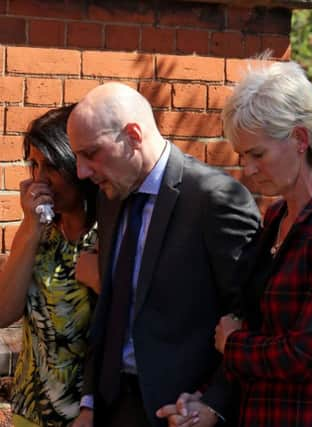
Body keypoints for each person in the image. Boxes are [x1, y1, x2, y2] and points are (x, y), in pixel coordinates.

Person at [162, 60, 312, 427]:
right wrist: (208, 402)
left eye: (257, 154)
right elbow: (252, 325)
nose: (248, 169)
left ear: (300, 139)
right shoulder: (276, 216)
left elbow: (304, 355)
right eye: (242, 156)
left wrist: (233, 346)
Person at [67, 82, 260, 427]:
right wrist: (89, 402)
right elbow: (110, 308)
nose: (82, 171)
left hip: (180, 412)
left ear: (133, 135)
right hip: (112, 407)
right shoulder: (109, 195)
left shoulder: (214, 199)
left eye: (91, 153)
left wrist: (214, 405)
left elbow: (251, 316)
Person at [0, 105, 99, 427]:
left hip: (85, 415)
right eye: (34, 165)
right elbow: (4, 312)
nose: (40, 180)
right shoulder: (41, 233)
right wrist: (30, 227)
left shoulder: (107, 235)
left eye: (52, 167)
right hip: (31, 409)